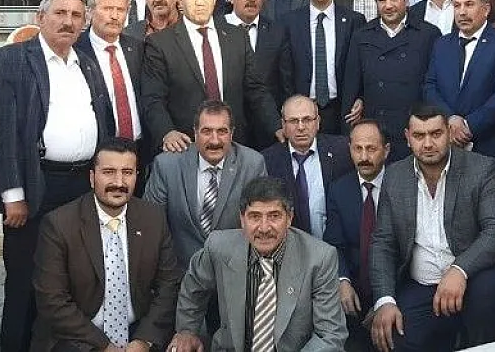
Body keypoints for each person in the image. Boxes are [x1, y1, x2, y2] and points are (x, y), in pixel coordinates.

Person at [0, 0, 112, 352]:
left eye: (76, 15)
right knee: (26, 282)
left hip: (81, 186)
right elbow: (2, 129)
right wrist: (13, 195)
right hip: (37, 185)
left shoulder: (86, 62)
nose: (68, 21)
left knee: (75, 280)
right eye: (60, 13)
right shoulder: (13, 59)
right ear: (40, 18)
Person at [369, 108, 495, 351]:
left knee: (492, 289)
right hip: (420, 286)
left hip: (472, 281)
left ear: (448, 132)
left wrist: (459, 269)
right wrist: (385, 300)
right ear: (407, 137)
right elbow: (383, 242)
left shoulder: (482, 169)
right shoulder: (395, 176)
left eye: (436, 134)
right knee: (392, 334)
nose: (428, 144)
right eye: (419, 135)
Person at [31, 138, 180, 352]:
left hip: (137, 334)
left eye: (127, 172)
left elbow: (169, 285)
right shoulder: (59, 224)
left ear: (137, 176)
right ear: (92, 178)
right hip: (78, 339)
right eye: (109, 172)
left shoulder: (153, 218)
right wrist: (103, 346)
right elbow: (52, 301)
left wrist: (144, 340)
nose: (119, 182)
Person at [170, 176, 347, 352]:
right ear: (242, 219)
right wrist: (187, 331)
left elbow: (330, 335)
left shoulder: (319, 258)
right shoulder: (219, 247)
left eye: (274, 216)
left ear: (289, 218)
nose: (264, 228)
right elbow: (194, 287)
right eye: (255, 217)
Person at [140, 0, 278, 152]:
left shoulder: (237, 36)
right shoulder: (160, 43)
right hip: (186, 146)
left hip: (235, 144)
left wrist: (276, 126)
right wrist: (167, 132)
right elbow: (152, 98)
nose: (200, 2)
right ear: (179, 0)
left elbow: (256, 90)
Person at [143, 101, 267, 268]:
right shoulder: (167, 165)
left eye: (222, 131)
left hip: (234, 268)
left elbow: (259, 223)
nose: (214, 140)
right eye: (206, 131)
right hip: (180, 270)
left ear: (232, 133)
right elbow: (151, 225)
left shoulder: (252, 164)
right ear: (195, 133)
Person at [422, 0, 495, 169]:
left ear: (486, 9)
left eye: (469, 5)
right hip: (447, 144)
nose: (462, 12)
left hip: (488, 146)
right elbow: (430, 86)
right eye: (457, 5)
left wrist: (468, 125)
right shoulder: (442, 44)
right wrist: (450, 119)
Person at [340, 0, 440, 160]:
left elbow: (434, 84)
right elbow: (351, 84)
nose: (388, 6)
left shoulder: (428, 34)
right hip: (376, 129)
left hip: (414, 129)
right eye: (382, 0)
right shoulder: (362, 35)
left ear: (406, 0)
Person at [324, 120, 390, 352]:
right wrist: (342, 280)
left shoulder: (402, 184)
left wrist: (386, 299)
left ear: (386, 150)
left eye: (371, 149)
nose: (363, 157)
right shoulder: (339, 189)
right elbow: (334, 244)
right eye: (357, 149)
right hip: (355, 289)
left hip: (396, 288)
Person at [280, 0, 359, 135]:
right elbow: (284, 71)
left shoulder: (353, 21)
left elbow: (360, 67)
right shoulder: (289, 22)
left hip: (342, 111)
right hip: (302, 114)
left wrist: (360, 98)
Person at [75, 0, 149, 162]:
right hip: (97, 153)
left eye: (120, 10)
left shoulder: (138, 48)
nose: (115, 16)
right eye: (107, 9)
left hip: (139, 150)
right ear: (90, 11)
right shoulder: (75, 51)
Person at [263, 96, 354, 237]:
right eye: (293, 121)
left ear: (317, 122)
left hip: (337, 244)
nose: (301, 127)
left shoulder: (342, 151)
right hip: (289, 244)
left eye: (307, 120)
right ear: (283, 125)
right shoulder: (267, 160)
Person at [226, 0, 288, 127]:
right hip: (226, 124)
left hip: (267, 125)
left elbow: (285, 84)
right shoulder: (216, 29)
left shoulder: (277, 32)